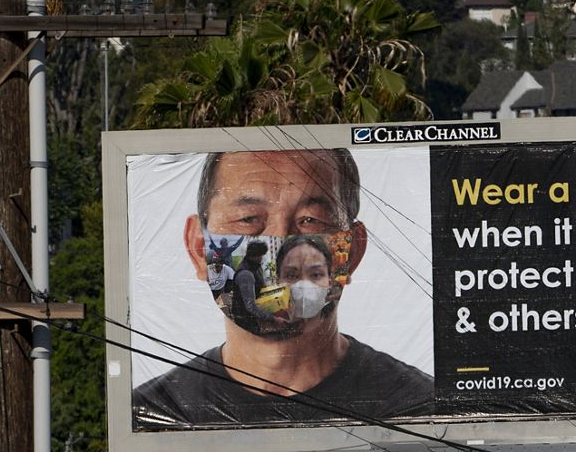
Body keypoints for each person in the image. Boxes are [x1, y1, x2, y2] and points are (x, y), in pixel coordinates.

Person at [132, 149, 434, 428]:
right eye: (248, 219)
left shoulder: (425, 414)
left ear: (351, 252)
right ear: (199, 247)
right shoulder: (148, 416)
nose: (278, 242)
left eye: (310, 220)